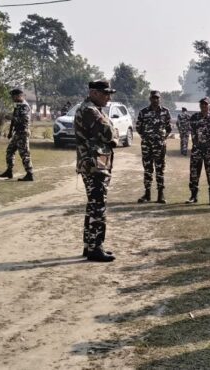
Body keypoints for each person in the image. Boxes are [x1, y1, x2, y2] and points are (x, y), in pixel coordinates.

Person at [74, 80, 118, 262]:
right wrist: (113, 135)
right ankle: (95, 248)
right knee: (98, 205)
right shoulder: (89, 111)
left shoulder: (94, 109)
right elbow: (108, 133)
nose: (109, 97)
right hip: (94, 164)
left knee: (94, 205)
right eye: (105, 93)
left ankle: (90, 245)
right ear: (94, 93)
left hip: (96, 162)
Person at [135, 90, 172, 204]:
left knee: (160, 169)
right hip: (147, 145)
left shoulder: (165, 112)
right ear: (150, 99)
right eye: (153, 98)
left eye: (157, 98)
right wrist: (146, 137)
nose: (155, 100)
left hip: (160, 145)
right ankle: (147, 194)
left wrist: (162, 138)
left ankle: (161, 195)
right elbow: (138, 127)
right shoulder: (143, 112)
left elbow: (169, 127)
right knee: (148, 169)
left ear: (160, 99)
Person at [186, 97, 210, 206]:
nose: (204, 106)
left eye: (206, 104)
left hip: (209, 150)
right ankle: (193, 196)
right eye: (202, 104)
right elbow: (191, 131)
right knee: (194, 174)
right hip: (197, 150)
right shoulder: (194, 117)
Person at [0, 88, 34, 181]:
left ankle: (30, 174)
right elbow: (13, 120)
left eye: (13, 96)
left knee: (24, 154)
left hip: (23, 133)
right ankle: (9, 171)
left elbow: (24, 120)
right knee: (10, 150)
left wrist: (11, 117)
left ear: (19, 96)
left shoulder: (24, 106)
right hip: (17, 133)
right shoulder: (18, 106)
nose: (12, 98)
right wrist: (10, 132)